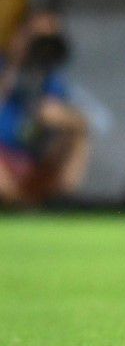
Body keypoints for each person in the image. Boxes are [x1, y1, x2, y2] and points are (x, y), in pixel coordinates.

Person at [0, 11, 89, 207]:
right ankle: (20, 204)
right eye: (37, 38)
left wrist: (65, 118)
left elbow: (73, 123)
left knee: (79, 131)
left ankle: (60, 202)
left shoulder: (50, 81)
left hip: (30, 160)